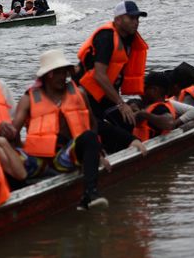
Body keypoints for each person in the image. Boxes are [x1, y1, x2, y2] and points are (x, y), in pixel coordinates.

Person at [12, 49, 119, 210]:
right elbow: (13, 133)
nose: (62, 77)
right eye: (56, 73)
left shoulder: (79, 93)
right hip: (38, 161)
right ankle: (13, 198)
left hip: (66, 157)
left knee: (89, 137)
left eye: (64, 73)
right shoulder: (29, 98)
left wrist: (96, 152)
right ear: (46, 76)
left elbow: (92, 124)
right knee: (2, 152)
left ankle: (90, 193)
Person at [76, 1, 149, 128]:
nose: (136, 22)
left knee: (128, 122)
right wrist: (121, 103)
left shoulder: (129, 39)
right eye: (131, 18)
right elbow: (99, 75)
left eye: (137, 18)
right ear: (118, 19)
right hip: (88, 95)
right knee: (110, 128)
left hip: (105, 95)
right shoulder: (107, 37)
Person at [132, 72, 194, 142]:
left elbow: (169, 123)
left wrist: (144, 115)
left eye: (143, 88)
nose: (140, 91)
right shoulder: (139, 103)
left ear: (154, 90)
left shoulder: (160, 109)